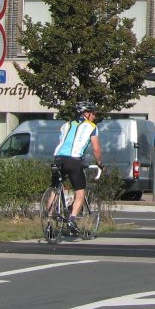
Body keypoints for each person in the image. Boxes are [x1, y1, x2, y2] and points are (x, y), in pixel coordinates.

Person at [53, 101, 102, 236]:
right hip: (74, 160)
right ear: (87, 114)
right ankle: (72, 220)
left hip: (58, 158)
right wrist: (99, 162)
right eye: (93, 114)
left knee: (55, 187)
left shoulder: (66, 125)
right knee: (80, 193)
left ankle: (49, 216)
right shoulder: (92, 126)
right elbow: (96, 148)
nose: (94, 117)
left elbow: (62, 141)